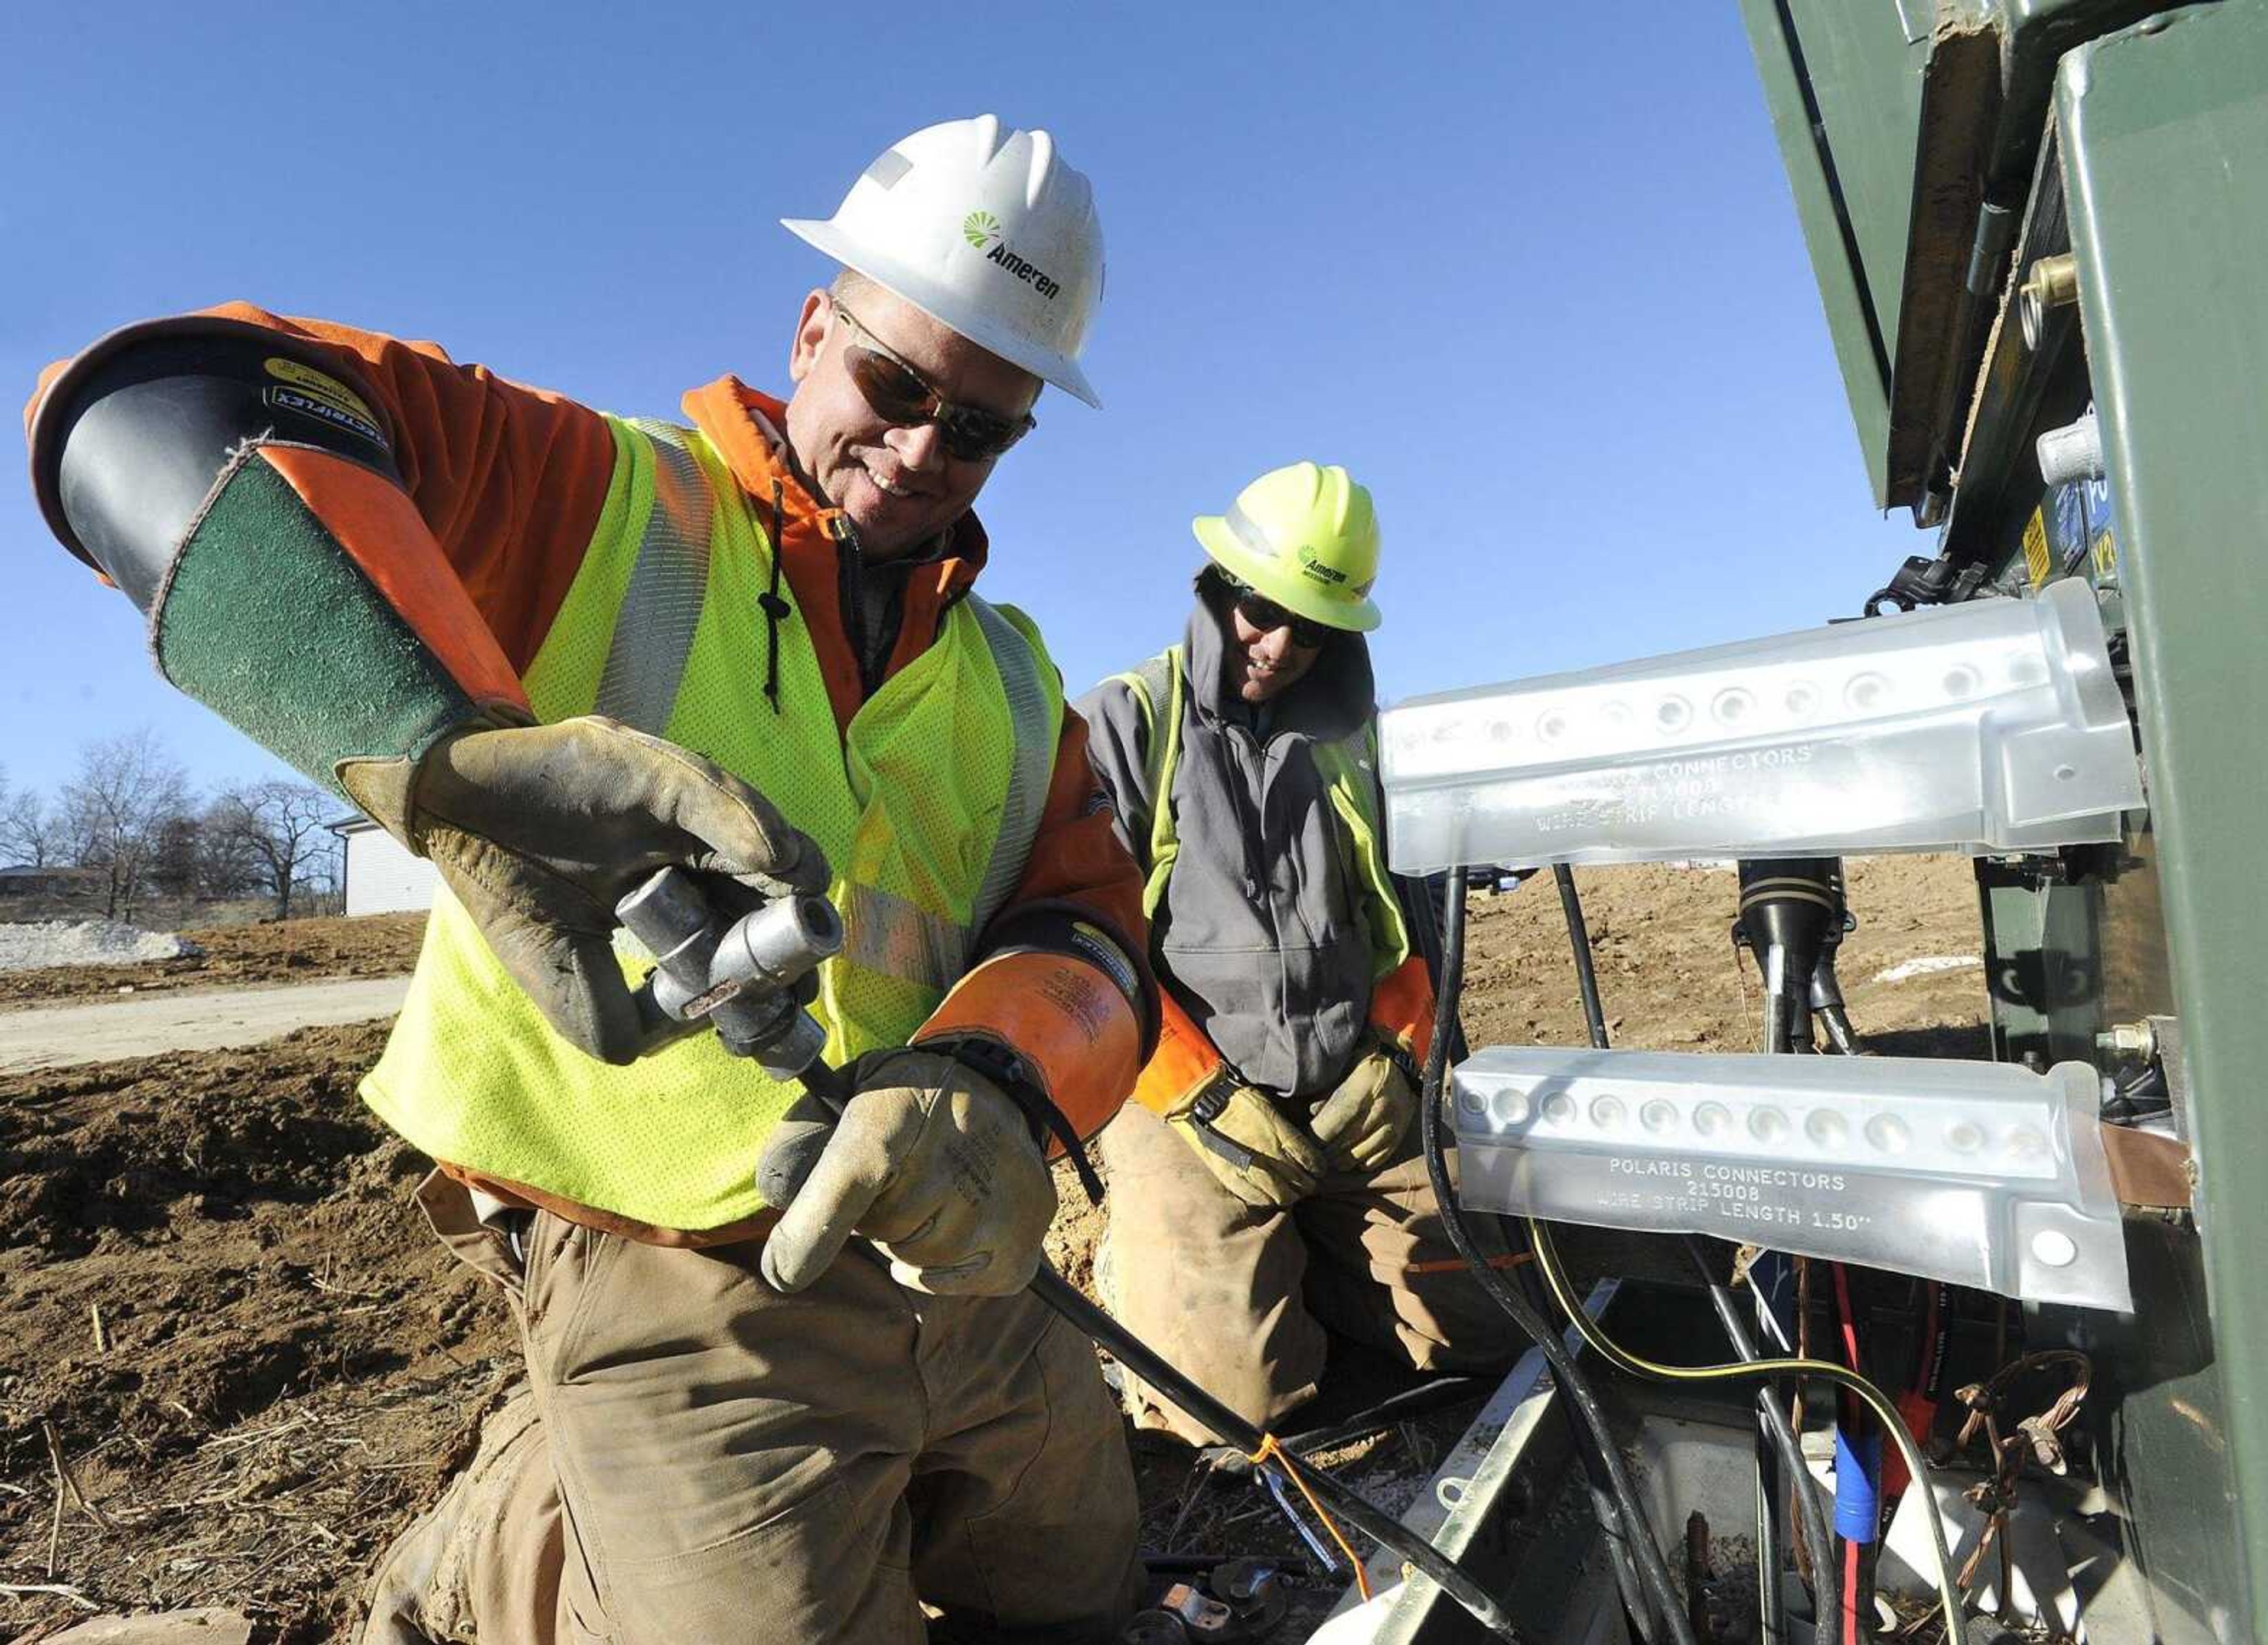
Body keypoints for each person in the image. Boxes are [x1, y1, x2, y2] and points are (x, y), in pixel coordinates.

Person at [25, 116, 1156, 1644]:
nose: (916, 451)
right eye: (896, 385)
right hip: (658, 1245)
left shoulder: (1012, 683)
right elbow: (156, 403)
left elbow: (1088, 919)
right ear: (817, 326)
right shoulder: (612, 507)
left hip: (921, 1237)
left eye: (977, 430)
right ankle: (510, 1549)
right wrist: (433, 752)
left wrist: (994, 1089)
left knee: (1089, 1590)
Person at [1075, 461, 1516, 1445]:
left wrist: (1400, 1055)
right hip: (1185, 1104)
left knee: (1491, 1328)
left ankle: (1306, 1253)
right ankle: (1155, 1267)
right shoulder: (1125, 723)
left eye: (1312, 628)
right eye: (1260, 609)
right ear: (1216, 585)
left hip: (1351, 1090)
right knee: (1232, 1414)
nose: (1279, 647)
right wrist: (1196, 1092)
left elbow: (1411, 923)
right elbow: (1087, 941)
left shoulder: (1358, 744)